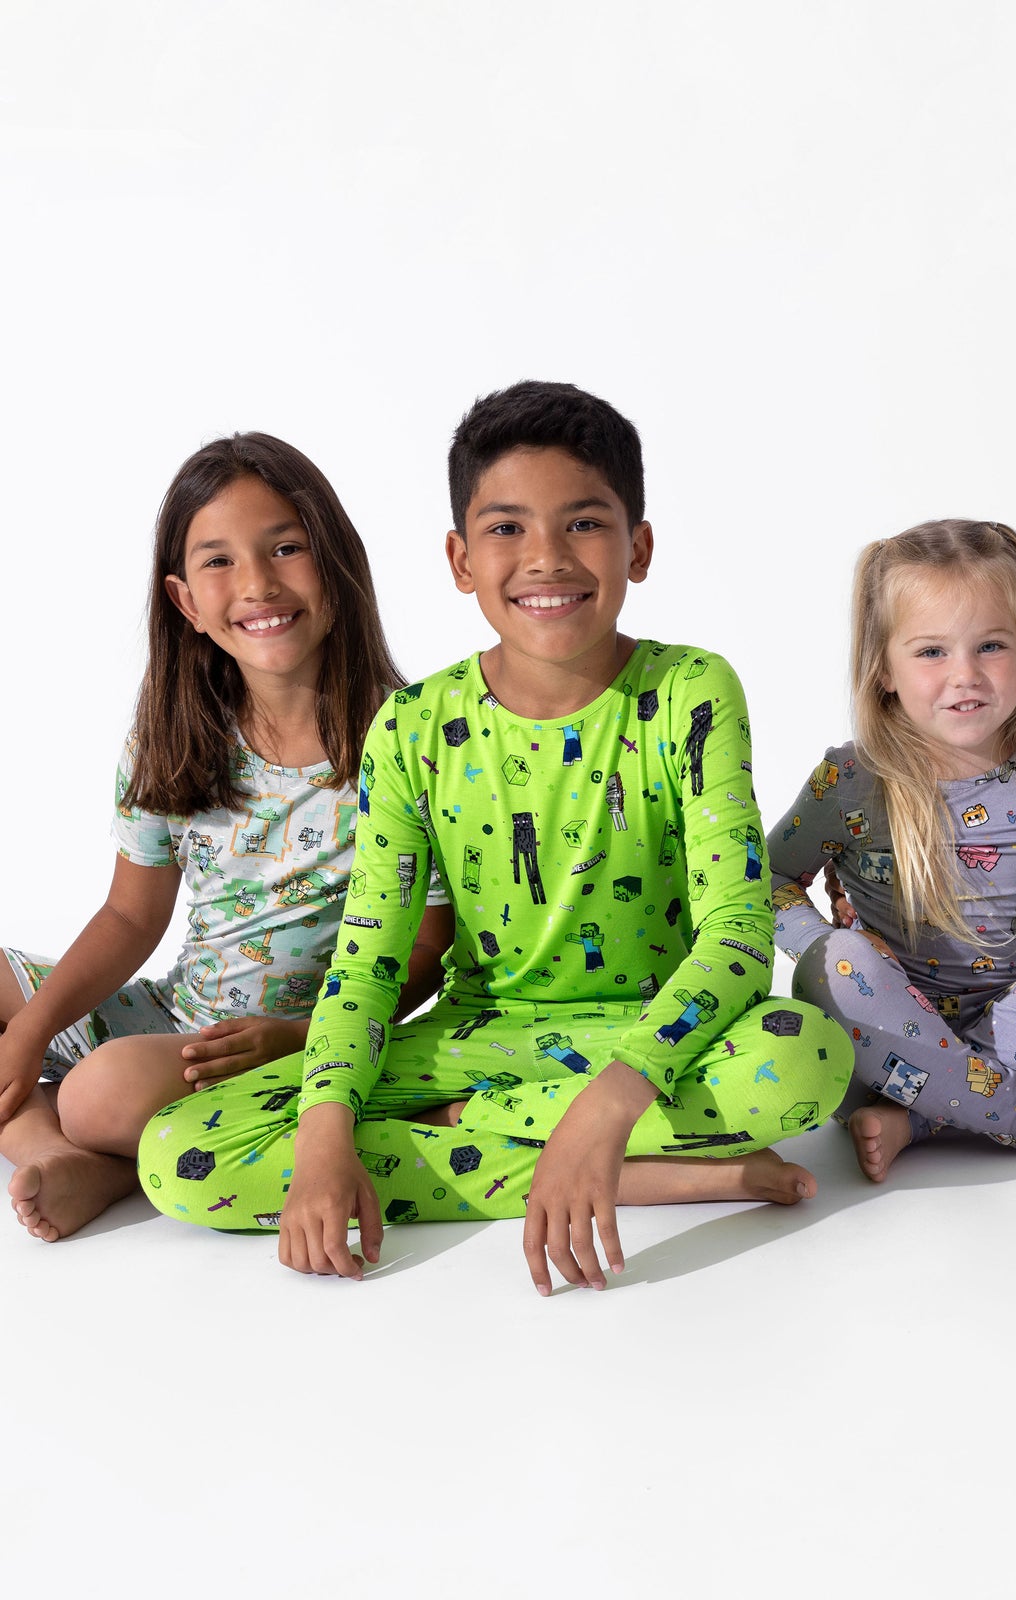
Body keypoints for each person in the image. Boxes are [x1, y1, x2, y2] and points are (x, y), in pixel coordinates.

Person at [137, 380, 852, 1290]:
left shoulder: (691, 692)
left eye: (583, 524)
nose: (546, 559)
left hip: (656, 1033)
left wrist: (608, 1102)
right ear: (461, 558)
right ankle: (647, 1174)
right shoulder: (411, 728)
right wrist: (323, 1134)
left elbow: (739, 937)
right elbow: (367, 965)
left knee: (806, 1058)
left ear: (637, 548)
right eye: (508, 528)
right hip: (474, 1039)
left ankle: (516, 1139)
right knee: (178, 1155)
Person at [2, 433, 451, 1241]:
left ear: (338, 564)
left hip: (298, 1045)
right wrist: (29, 1034)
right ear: (186, 603)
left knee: (96, 1096)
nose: (258, 584)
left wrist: (303, 1038)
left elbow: (428, 944)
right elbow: (130, 917)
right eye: (219, 561)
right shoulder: (176, 734)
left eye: (286, 547)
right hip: (181, 1017)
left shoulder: (410, 739)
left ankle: (95, 1150)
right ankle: (62, 1157)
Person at [767, 520, 1016, 1181]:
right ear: (882, 668)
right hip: (877, 1045)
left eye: (990, 646)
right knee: (836, 963)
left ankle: (921, 1121)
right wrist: (823, 943)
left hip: (1006, 1035)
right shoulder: (852, 779)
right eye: (931, 652)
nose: (966, 675)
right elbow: (770, 877)